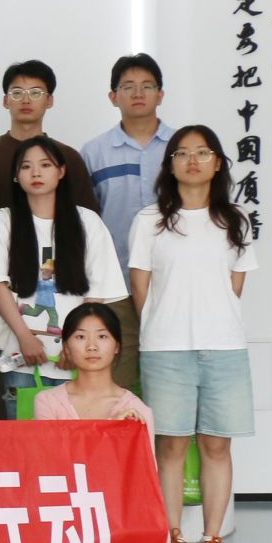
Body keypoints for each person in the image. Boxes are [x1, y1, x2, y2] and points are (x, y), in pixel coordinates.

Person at [129, 126, 257, 543]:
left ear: (217, 162)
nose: (193, 161)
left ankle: (213, 540)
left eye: (202, 153)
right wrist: (162, 326)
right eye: (182, 153)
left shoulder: (235, 220)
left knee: (217, 444)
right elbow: (141, 287)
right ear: (170, 165)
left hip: (224, 346)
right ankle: (174, 540)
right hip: (166, 347)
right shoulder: (150, 220)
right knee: (171, 445)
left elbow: (235, 286)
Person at [33, 302, 175, 543]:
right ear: (66, 346)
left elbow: (147, 490)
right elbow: (50, 471)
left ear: (117, 346)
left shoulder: (137, 411)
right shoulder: (48, 401)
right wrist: (109, 436)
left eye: (102, 336)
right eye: (80, 337)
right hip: (63, 520)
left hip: (113, 526)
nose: (92, 346)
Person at [0, 136, 128, 415]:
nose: (36, 173)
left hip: (76, 360)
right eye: (26, 166)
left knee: (73, 438)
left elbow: (96, 293)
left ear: (61, 171)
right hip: (21, 356)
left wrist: (75, 344)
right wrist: (24, 337)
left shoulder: (87, 222)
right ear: (15, 175)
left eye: (45, 165)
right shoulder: (4, 221)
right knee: (24, 437)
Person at [80, 53, 172, 389]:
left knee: (170, 379)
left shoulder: (181, 148)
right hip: (115, 283)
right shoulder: (94, 152)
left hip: (171, 280)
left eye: (147, 86)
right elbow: (85, 221)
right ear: (113, 96)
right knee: (117, 380)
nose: (138, 93)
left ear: (160, 94)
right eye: (128, 86)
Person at [0, 60, 99, 239]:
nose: (26, 100)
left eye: (36, 93)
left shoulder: (67, 158)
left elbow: (86, 217)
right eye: (17, 93)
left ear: (49, 101)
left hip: (56, 254)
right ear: (6, 101)